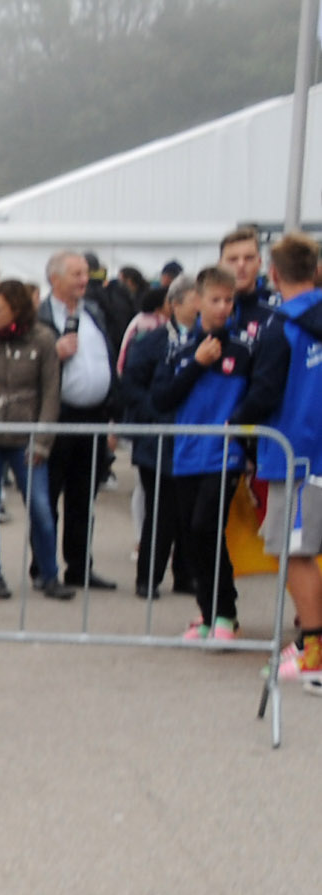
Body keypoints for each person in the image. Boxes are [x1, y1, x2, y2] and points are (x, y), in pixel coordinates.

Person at [151, 263, 257, 640]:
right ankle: (208, 613)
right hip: (185, 455)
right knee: (191, 536)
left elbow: (257, 396)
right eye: (215, 299)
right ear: (198, 300)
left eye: (229, 300)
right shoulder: (180, 348)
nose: (223, 307)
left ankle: (225, 613)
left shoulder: (245, 347)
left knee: (206, 528)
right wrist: (196, 365)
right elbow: (161, 399)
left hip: (224, 455)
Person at [239, 230, 322, 680]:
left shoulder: (280, 326)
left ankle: (313, 646)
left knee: (295, 552)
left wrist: (234, 422)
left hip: (297, 453)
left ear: (274, 274)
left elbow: (264, 392)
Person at [0, 277, 59, 598]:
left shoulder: (43, 340)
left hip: (27, 436)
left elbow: (51, 394)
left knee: (41, 508)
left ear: (16, 309)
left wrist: (43, 440)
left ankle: (49, 575)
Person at [41, 249, 118, 591]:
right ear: (55, 278)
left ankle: (79, 566)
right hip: (58, 417)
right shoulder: (41, 317)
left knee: (83, 497)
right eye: (76, 274)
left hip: (94, 418)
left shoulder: (95, 312)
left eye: (85, 273)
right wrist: (53, 354)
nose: (84, 280)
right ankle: (44, 567)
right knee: (49, 496)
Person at [117, 275, 187, 598]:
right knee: (159, 510)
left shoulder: (208, 340)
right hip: (156, 439)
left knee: (188, 511)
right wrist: (156, 412)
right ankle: (148, 578)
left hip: (191, 439)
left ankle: (186, 575)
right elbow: (130, 385)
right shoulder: (150, 341)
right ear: (176, 304)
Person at [222, 222, 277, 324]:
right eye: (233, 259)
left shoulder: (275, 310)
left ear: (259, 263)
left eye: (249, 258)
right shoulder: (205, 310)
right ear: (220, 264)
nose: (241, 265)